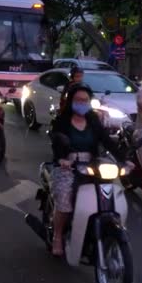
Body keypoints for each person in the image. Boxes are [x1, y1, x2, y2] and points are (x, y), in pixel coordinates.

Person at [49, 83, 127, 256]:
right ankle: (58, 235)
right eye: (78, 100)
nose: (82, 103)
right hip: (68, 164)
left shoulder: (93, 120)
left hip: (92, 164)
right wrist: (62, 158)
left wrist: (124, 160)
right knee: (65, 196)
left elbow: (107, 141)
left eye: (85, 100)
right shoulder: (62, 121)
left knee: (108, 190)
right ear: (71, 101)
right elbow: (56, 140)